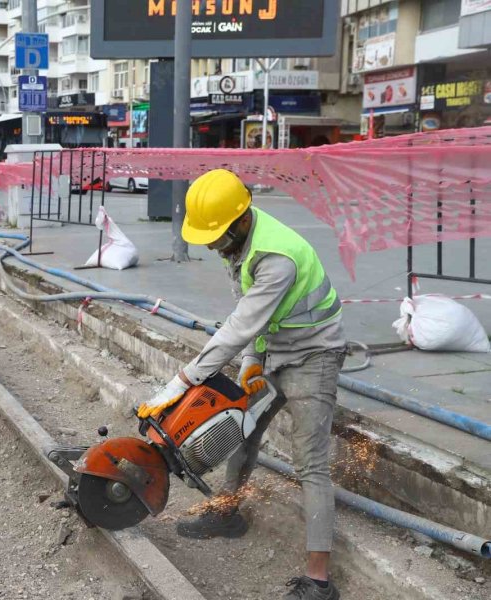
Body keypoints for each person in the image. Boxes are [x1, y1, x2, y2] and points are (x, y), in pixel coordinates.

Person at [136, 169, 346, 600]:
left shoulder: (277, 257)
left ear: (241, 220)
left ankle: (319, 581)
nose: (211, 246)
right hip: (273, 349)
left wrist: (181, 382)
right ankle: (227, 513)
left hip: (314, 356)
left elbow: (239, 327)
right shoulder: (241, 244)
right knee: (240, 430)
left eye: (215, 237)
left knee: (310, 463)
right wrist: (253, 360)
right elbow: (253, 316)